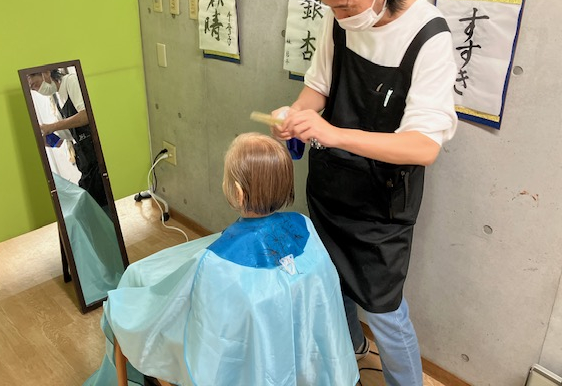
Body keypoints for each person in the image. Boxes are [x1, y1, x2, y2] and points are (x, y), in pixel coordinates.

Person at [272, 0, 457, 386]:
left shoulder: (429, 37)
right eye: (330, 6)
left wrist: (333, 133)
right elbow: (318, 88)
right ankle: (350, 351)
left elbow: (423, 146)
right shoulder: (340, 17)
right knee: (332, 282)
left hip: (382, 207)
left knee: (386, 313)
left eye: (345, 6)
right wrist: (296, 116)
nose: (338, 15)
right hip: (331, 188)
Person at [84, 132, 359, 386]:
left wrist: (126, 307)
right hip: (299, 350)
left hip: (247, 358)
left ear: (238, 193)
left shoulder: (216, 263)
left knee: (127, 307)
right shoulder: (305, 225)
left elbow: (188, 324)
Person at [28, 69, 107, 208]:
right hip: (85, 159)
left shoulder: (71, 81)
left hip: (97, 154)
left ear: (46, 73)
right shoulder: (58, 99)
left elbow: (86, 115)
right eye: (33, 89)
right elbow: (60, 139)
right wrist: (41, 139)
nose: (37, 90)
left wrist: (52, 126)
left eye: (36, 85)